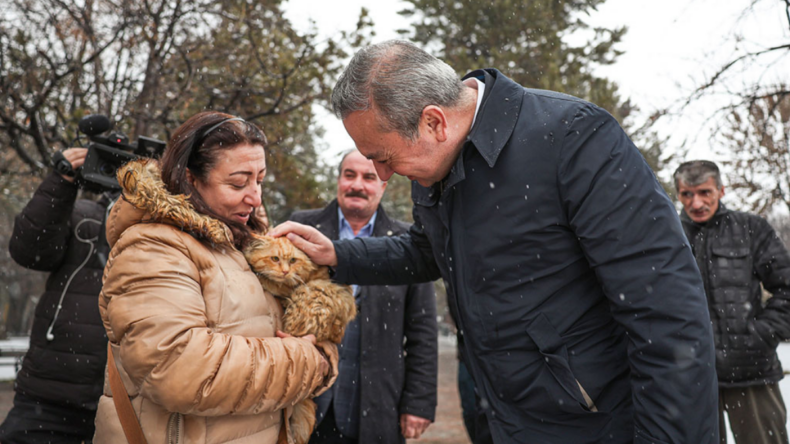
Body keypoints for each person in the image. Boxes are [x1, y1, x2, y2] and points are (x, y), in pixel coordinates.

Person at [270, 40, 719, 443]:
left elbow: (666, 312)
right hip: (508, 418)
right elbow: (428, 250)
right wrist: (338, 255)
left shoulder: (574, 138)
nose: (382, 175)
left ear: (433, 122)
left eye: (383, 159)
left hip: (596, 422)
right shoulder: (433, 163)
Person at [93, 111, 338, 443]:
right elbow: (180, 370)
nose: (256, 197)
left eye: (260, 180)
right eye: (238, 183)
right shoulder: (152, 247)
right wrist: (310, 360)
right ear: (191, 179)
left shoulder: (239, 242)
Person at [290, 149, 438, 444]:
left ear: (383, 186)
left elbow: (423, 332)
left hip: (377, 402)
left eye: (369, 177)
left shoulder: (408, 245)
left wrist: (419, 402)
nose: (357, 185)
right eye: (349, 175)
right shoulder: (302, 229)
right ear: (338, 181)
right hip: (306, 401)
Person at [674, 160, 790, 444]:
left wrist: (763, 333)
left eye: (704, 192)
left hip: (752, 373)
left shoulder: (752, 228)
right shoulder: (666, 235)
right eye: (687, 194)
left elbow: (787, 286)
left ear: (721, 190)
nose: (696, 202)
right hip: (691, 378)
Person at [0, 147, 110, 443]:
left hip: (124, 408)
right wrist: (61, 180)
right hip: (47, 400)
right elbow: (29, 250)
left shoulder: (172, 235)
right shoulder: (84, 218)